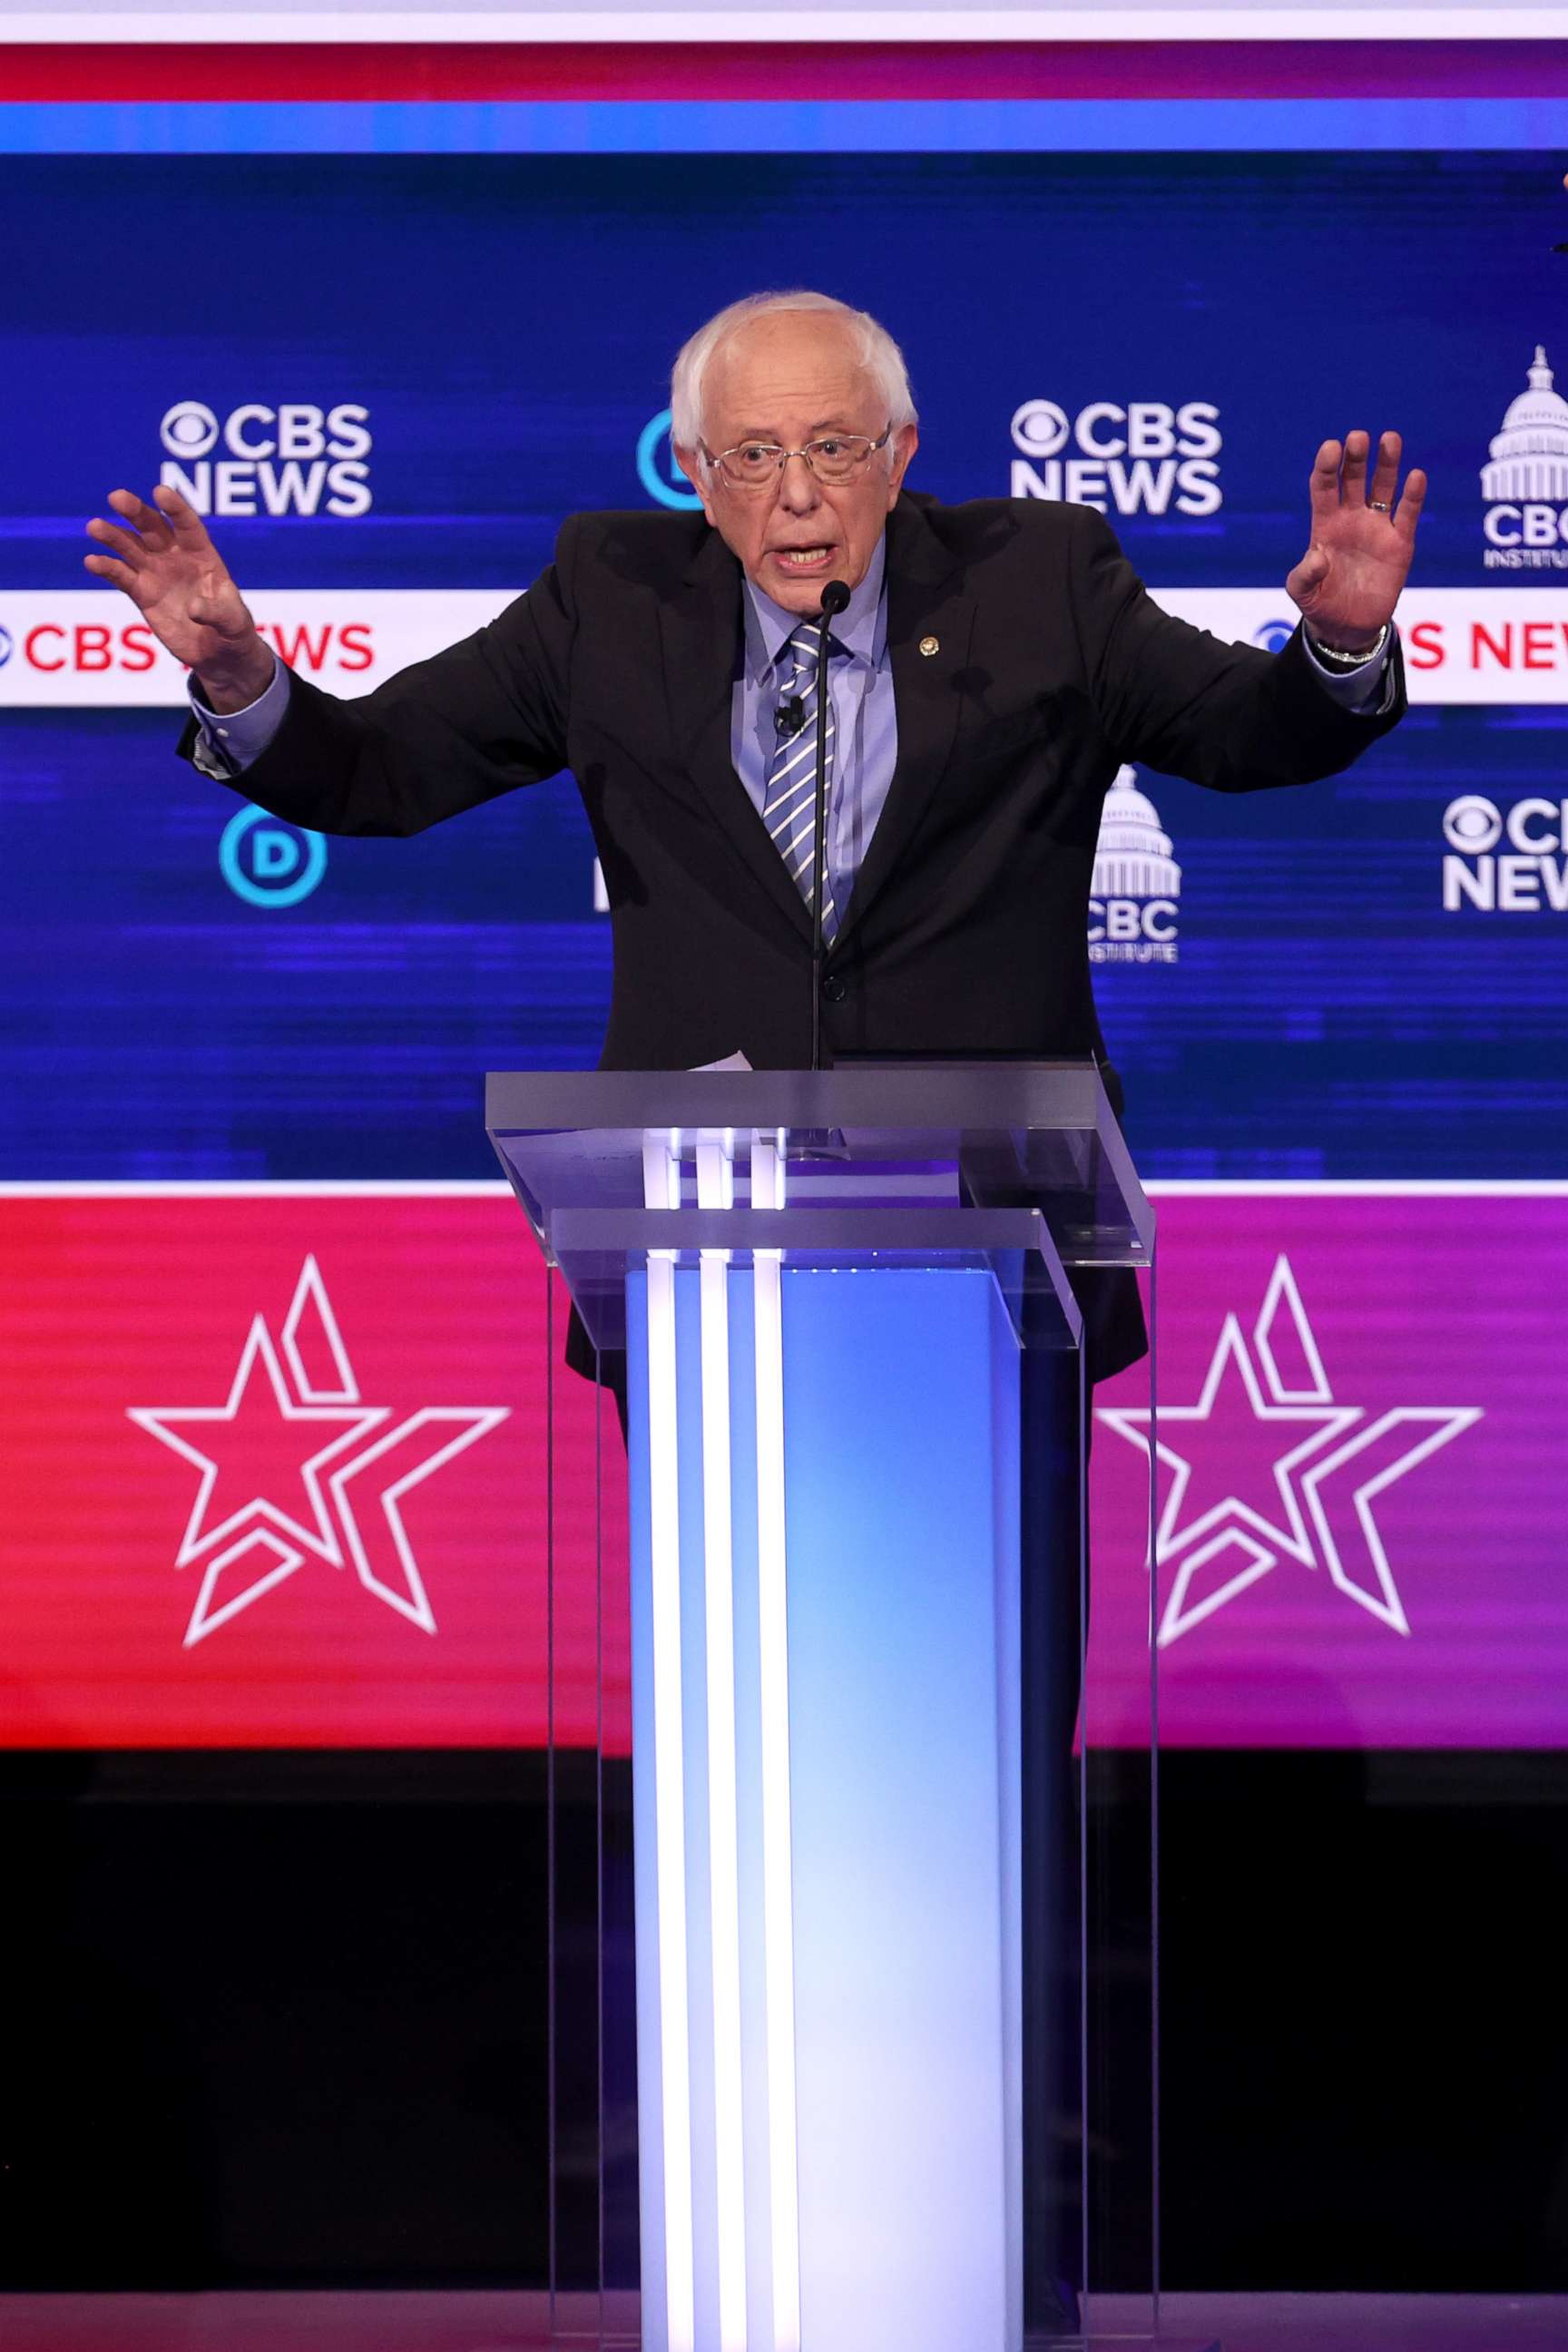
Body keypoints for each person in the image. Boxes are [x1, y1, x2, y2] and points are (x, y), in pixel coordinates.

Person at [84, 287, 1423, 2329]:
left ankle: (976, 2250)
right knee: (755, 1746)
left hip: (1001, 1289)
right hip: (714, 1290)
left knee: (987, 1751)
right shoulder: (607, 603)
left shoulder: (1047, 580)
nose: (795, 500)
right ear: (688, 475)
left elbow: (1250, 738)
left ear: (902, 453)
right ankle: (765, 2240)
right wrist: (245, 673)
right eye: (750, 460)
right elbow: (378, 770)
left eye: (833, 452)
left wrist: (1333, 640)